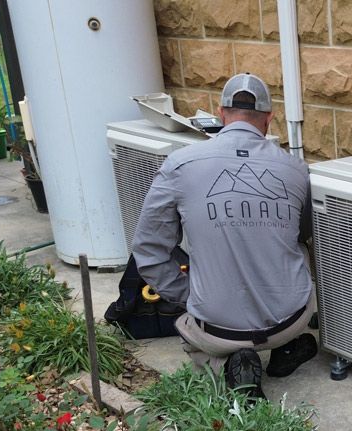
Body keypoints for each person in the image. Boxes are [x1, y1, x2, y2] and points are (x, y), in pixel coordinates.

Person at [132, 73, 319, 397]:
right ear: (268, 120)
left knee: (197, 310)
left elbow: (148, 251)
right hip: (289, 320)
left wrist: (190, 294)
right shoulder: (296, 169)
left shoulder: (179, 164)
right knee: (299, 248)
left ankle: (225, 365)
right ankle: (285, 347)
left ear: (220, 114)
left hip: (217, 331)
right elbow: (302, 235)